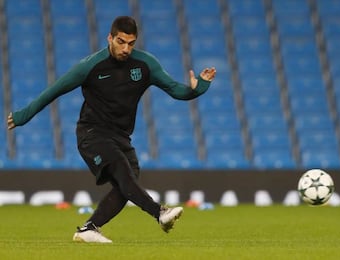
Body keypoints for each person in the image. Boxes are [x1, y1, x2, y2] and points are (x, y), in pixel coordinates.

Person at [7, 16, 216, 243]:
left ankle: (88, 229)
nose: (125, 48)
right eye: (120, 41)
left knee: (127, 184)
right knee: (123, 172)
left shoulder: (146, 64)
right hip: (92, 134)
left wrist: (199, 88)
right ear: (110, 38)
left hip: (121, 137)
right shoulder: (91, 65)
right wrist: (23, 115)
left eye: (131, 43)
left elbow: (177, 90)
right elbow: (54, 90)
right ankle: (160, 213)